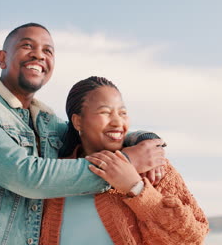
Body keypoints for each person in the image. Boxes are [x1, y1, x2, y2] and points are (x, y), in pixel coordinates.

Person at [0, 23, 166, 245]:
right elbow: (25, 176)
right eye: (27, 46)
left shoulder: (47, 122)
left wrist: (146, 142)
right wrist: (127, 163)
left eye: (47, 51)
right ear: (2, 58)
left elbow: (96, 134)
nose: (39, 55)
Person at [40, 76, 209, 245]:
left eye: (123, 113)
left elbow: (192, 239)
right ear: (78, 122)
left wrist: (136, 188)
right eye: (105, 112)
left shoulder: (153, 169)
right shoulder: (54, 173)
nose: (117, 122)